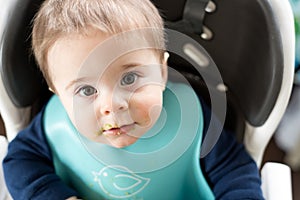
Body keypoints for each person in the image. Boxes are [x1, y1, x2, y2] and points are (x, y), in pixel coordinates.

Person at [2, 0, 264, 199]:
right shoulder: (54, 126)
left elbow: (235, 167)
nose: (112, 105)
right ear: (58, 95)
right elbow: (19, 161)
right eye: (85, 90)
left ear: (162, 73)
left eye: (129, 79)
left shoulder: (191, 119)